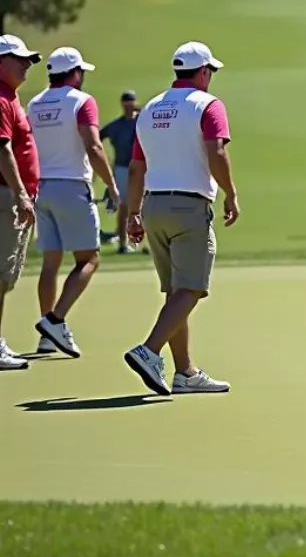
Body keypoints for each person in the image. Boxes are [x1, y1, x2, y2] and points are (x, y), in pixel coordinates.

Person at [123, 41, 238, 396]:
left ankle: (185, 372)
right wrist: (231, 193)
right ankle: (149, 351)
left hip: (154, 206)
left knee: (175, 291)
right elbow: (216, 151)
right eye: (211, 72)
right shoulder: (208, 105)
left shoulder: (151, 108)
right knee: (190, 288)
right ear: (203, 72)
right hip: (189, 207)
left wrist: (133, 213)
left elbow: (136, 167)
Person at [27, 47, 119, 359]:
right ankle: (54, 321)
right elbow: (93, 146)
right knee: (89, 259)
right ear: (76, 73)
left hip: (41, 188)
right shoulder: (82, 101)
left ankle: (46, 335)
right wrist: (111, 185)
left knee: (51, 262)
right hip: (71, 186)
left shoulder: (35, 103)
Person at [0, 34, 41, 372]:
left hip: (9, 194)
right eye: (19, 59)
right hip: (5, 196)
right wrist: (21, 194)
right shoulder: (1, 98)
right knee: (1, 273)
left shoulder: (10, 97)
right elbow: (2, 149)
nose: (27, 64)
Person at [100, 91, 140, 253]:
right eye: (126, 102)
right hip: (122, 168)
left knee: (144, 206)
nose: (129, 105)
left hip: (141, 167)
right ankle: (123, 244)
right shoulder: (116, 125)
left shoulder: (142, 121)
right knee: (124, 206)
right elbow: (98, 137)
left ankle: (144, 243)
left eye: (131, 102)